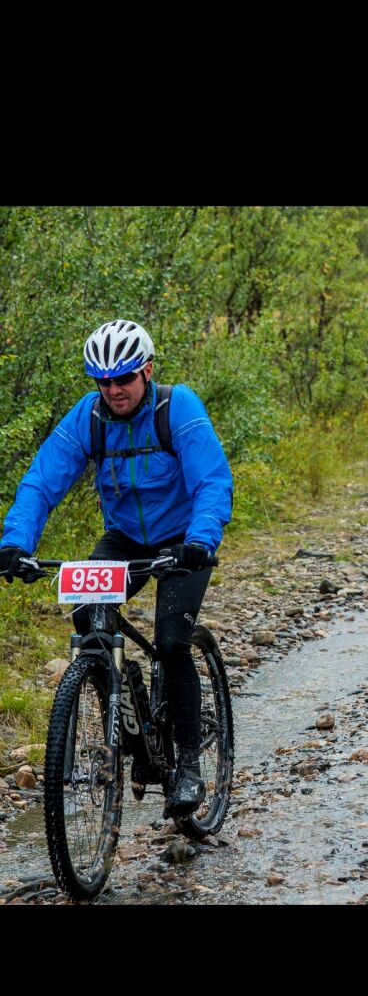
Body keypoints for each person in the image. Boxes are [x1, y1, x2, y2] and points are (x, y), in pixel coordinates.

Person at [0, 319, 233, 816]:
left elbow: (212, 480)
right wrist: (15, 543)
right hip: (125, 538)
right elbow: (42, 482)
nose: (113, 390)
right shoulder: (89, 417)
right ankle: (132, 727)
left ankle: (189, 767)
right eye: (103, 381)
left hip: (183, 540)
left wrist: (200, 540)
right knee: (88, 618)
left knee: (171, 642)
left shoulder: (178, 406)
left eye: (123, 379)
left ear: (146, 371)